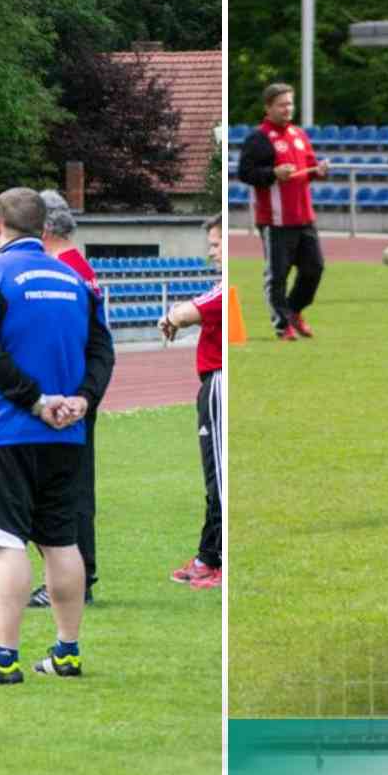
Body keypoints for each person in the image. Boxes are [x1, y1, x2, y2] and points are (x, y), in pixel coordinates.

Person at [0, 187, 115, 688]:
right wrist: (82, 399)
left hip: (10, 429)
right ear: (44, 227)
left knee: (4, 541)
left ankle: (4, 659)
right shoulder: (77, 280)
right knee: (61, 540)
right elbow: (103, 350)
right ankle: (66, 651)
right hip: (69, 432)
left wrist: (34, 401)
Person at [31, 194, 105, 609]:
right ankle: (79, 575)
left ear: (43, 230)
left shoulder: (62, 271)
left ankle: (75, 577)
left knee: (63, 490)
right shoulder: (83, 269)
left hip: (65, 399)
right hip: (80, 396)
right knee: (74, 488)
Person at [158, 218, 223, 587]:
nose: (211, 251)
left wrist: (170, 317)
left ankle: (214, 560)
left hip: (218, 382)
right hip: (214, 382)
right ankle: (209, 556)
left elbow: (185, 313)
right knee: (217, 474)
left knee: (218, 475)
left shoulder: (223, 288)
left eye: (215, 244)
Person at [240, 82, 327, 339]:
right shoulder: (259, 138)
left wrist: (319, 171)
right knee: (278, 275)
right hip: (275, 221)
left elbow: (309, 167)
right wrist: (273, 173)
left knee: (315, 269)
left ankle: (294, 310)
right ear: (268, 107)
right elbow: (245, 173)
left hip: (304, 217)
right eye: (282, 104)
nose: (288, 109)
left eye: (290, 103)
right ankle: (282, 324)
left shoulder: (299, 135)